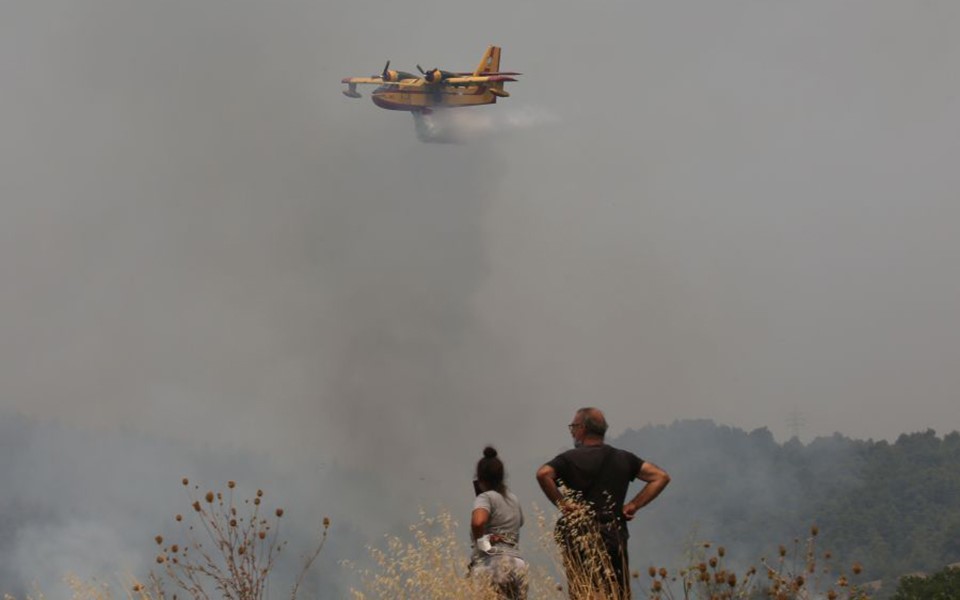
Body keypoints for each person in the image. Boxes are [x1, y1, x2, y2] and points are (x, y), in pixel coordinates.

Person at [536, 408, 670, 600]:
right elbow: (660, 477)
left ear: (583, 428)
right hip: (614, 534)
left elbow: (543, 474)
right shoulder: (623, 458)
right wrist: (633, 505)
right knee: (617, 592)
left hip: (578, 535)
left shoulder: (567, 459)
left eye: (573, 427)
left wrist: (564, 505)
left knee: (582, 591)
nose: (572, 432)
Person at [470, 446, 528, 600]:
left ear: (480, 478)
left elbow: (478, 522)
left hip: (492, 563)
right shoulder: (513, 499)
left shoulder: (485, 497)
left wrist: (482, 544)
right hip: (517, 564)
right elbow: (520, 522)